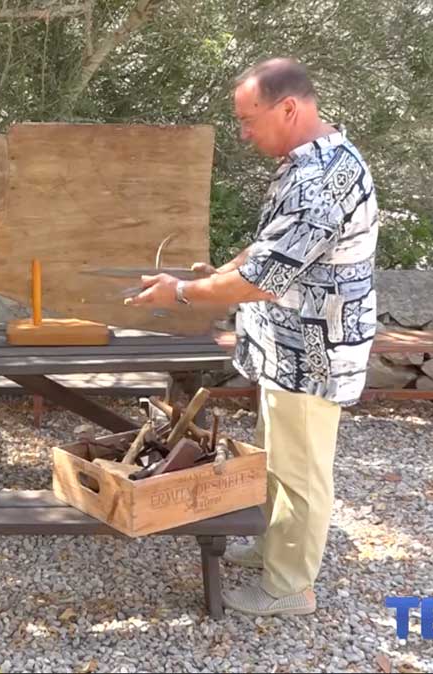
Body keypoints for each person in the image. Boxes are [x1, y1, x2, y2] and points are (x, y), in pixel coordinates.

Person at [126, 58, 378, 616]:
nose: (243, 132)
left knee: (302, 471)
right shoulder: (305, 164)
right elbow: (267, 249)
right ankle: (273, 545)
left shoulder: (322, 183)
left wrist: (184, 294)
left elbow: (264, 280)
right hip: (286, 349)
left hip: (312, 352)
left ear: (289, 108)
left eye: (248, 119)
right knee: (278, 461)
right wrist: (209, 277)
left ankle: (289, 588)